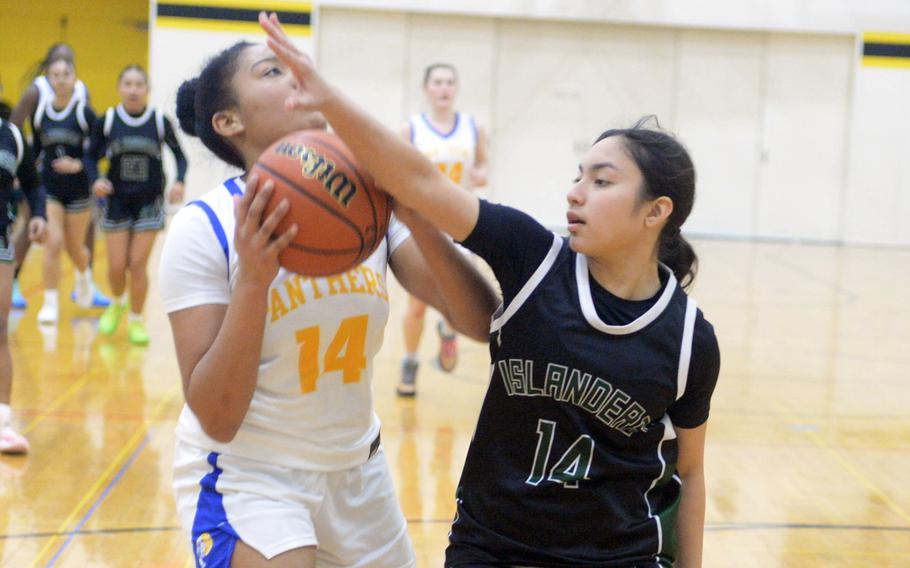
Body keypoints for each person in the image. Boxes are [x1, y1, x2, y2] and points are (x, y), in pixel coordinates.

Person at [261, 12, 721, 567]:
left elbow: (690, 474)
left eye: (600, 182)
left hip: (614, 557)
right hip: (492, 547)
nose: (575, 193)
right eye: (578, 176)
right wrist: (328, 99)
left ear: (656, 211)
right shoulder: (533, 256)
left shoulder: (690, 339)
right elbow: (420, 181)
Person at [160, 39, 498, 567]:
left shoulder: (367, 211)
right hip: (251, 471)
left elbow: (479, 319)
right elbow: (217, 417)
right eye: (273, 71)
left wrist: (414, 213)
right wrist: (252, 282)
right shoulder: (204, 228)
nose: (296, 76)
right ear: (228, 121)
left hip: (357, 471)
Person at [396, 62, 488, 397]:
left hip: (462, 223)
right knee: (418, 303)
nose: (444, 87)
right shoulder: (412, 129)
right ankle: (409, 361)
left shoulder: (474, 126)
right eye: (437, 81)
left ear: (456, 88)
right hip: (426, 225)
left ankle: (447, 332)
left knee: (461, 296)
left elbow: (482, 164)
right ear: (426, 88)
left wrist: (480, 173)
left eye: (450, 81)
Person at [88, 64, 187, 345]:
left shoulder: (158, 121)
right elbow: (89, 157)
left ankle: (135, 319)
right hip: (117, 200)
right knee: (117, 266)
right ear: (120, 88)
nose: (133, 89)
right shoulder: (107, 120)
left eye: (138, 85)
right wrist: (95, 179)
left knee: (137, 264)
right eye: (128, 84)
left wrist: (179, 180)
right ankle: (118, 302)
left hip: (149, 201)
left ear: (147, 90)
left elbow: (181, 156)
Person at [9, 43, 107, 311]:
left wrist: (85, 167)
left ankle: (84, 279)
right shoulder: (37, 91)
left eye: (68, 63)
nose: (62, 72)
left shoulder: (82, 93)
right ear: (49, 68)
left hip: (76, 185)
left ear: (73, 69)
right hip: (44, 178)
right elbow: (14, 127)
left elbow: (93, 140)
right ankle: (16, 281)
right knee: (38, 228)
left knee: (80, 234)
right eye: (58, 64)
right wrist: (18, 165)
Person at [31, 58, 105, 324]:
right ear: (49, 79)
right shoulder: (40, 114)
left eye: (66, 73)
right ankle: (50, 303)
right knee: (54, 243)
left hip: (78, 192)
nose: (61, 78)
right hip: (49, 189)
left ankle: (84, 277)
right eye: (55, 74)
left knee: (75, 247)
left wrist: (79, 165)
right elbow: (35, 151)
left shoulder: (85, 113)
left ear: (75, 78)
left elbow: (99, 150)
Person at [0, 118, 47, 453]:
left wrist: (39, 214)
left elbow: (33, 183)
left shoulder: (12, 134)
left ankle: (2, 424)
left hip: (1, 240)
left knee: (0, 330)